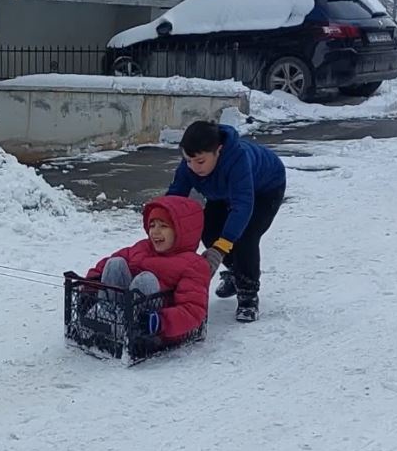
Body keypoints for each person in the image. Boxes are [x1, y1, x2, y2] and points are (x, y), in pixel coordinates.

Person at [168, 121, 286, 322]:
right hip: (225, 192)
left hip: (265, 190)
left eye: (200, 162)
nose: (193, 167)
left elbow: (242, 206)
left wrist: (222, 247)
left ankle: (248, 297)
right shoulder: (191, 164)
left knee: (245, 236)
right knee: (208, 229)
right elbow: (176, 197)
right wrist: (161, 221)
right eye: (188, 160)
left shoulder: (238, 159)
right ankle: (235, 272)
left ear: (218, 151)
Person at [84, 196, 210, 343]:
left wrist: (161, 321)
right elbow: (105, 265)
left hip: (149, 323)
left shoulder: (194, 264)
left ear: (181, 232)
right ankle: (106, 317)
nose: (155, 232)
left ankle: (125, 328)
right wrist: (90, 282)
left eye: (163, 226)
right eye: (152, 225)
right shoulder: (143, 247)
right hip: (121, 307)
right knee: (115, 263)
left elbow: (192, 310)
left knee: (146, 279)